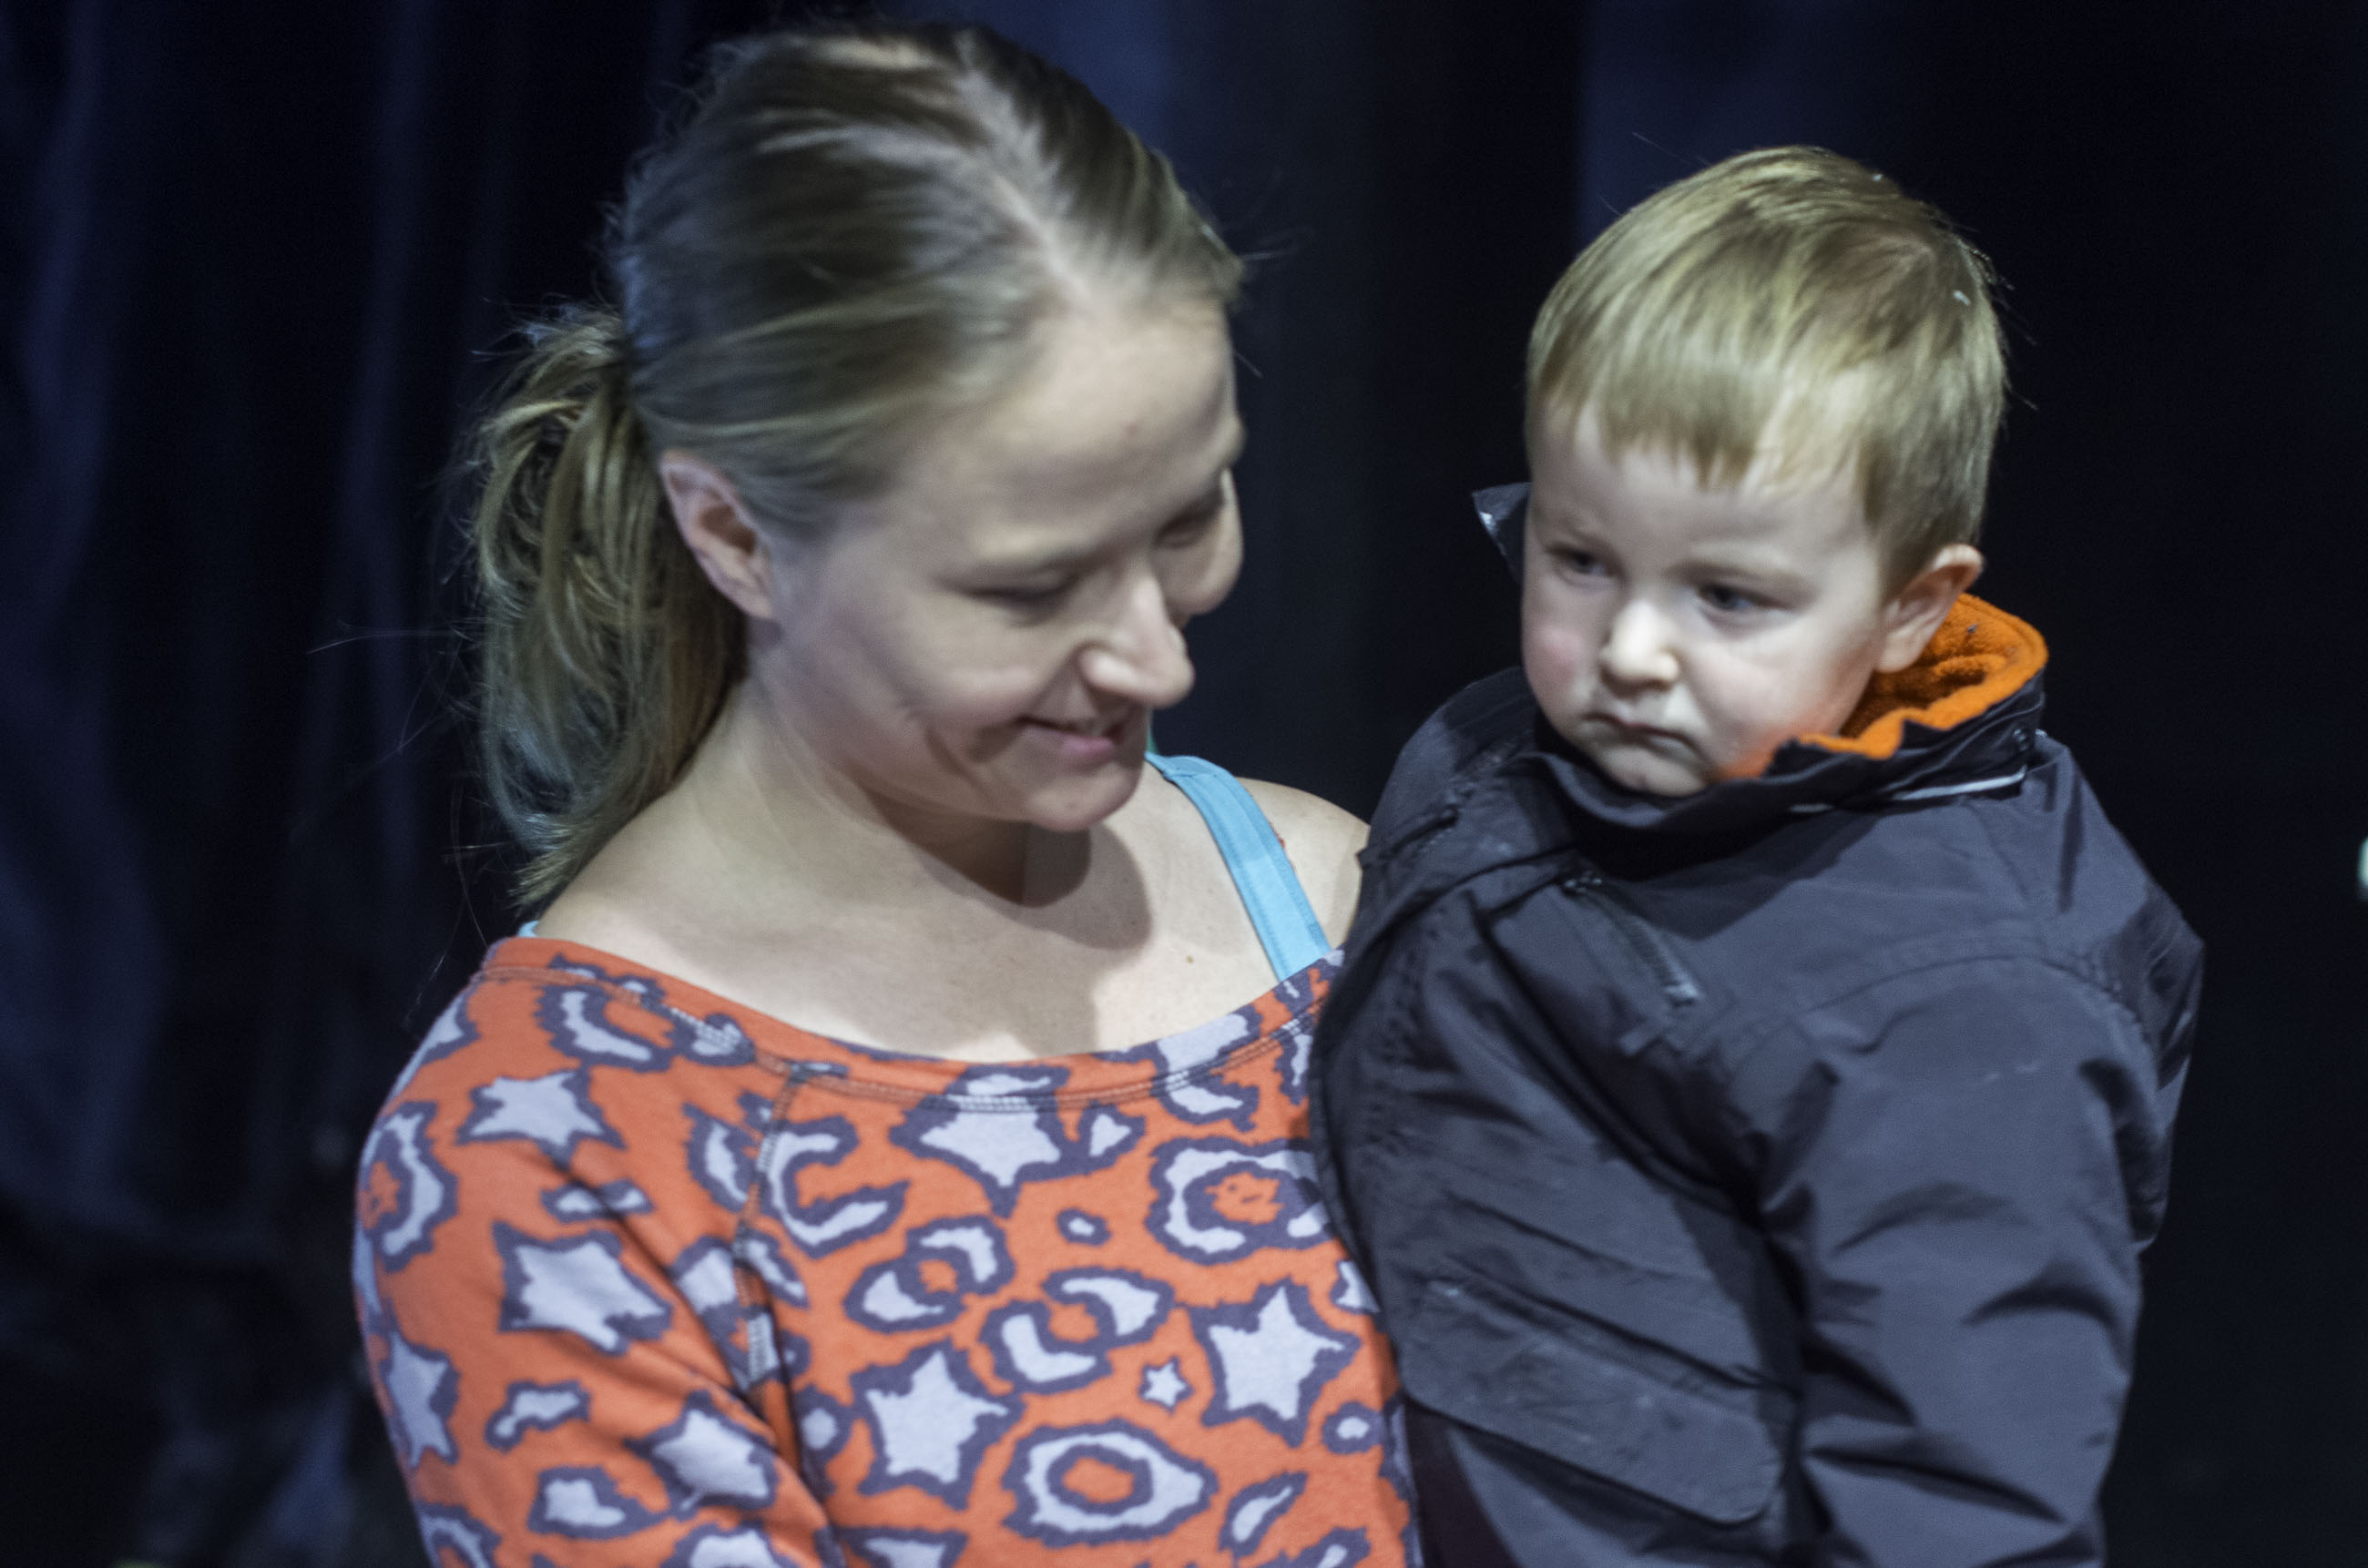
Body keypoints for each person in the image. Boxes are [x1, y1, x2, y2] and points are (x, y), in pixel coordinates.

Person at [352, 21, 1416, 1566]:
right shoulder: (547, 1156)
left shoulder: (1322, 897)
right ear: (735, 535)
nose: (1157, 656)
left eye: (1189, 516)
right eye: (1031, 585)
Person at [1310, 148, 2201, 1566]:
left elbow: (1964, 1496)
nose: (1630, 650)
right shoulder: (1494, 743)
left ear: (1911, 606)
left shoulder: (1966, 1002)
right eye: (1578, 556)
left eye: (1726, 596)